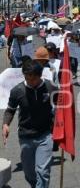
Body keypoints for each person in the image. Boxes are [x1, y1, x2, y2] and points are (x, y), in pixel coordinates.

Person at [2, 59, 58, 188]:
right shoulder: (17, 91)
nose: (30, 82)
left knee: (43, 172)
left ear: (40, 76)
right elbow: (10, 110)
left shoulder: (51, 87)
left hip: (45, 135)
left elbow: (61, 106)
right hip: (25, 136)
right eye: (27, 78)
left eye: (33, 79)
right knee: (29, 172)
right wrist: (5, 124)